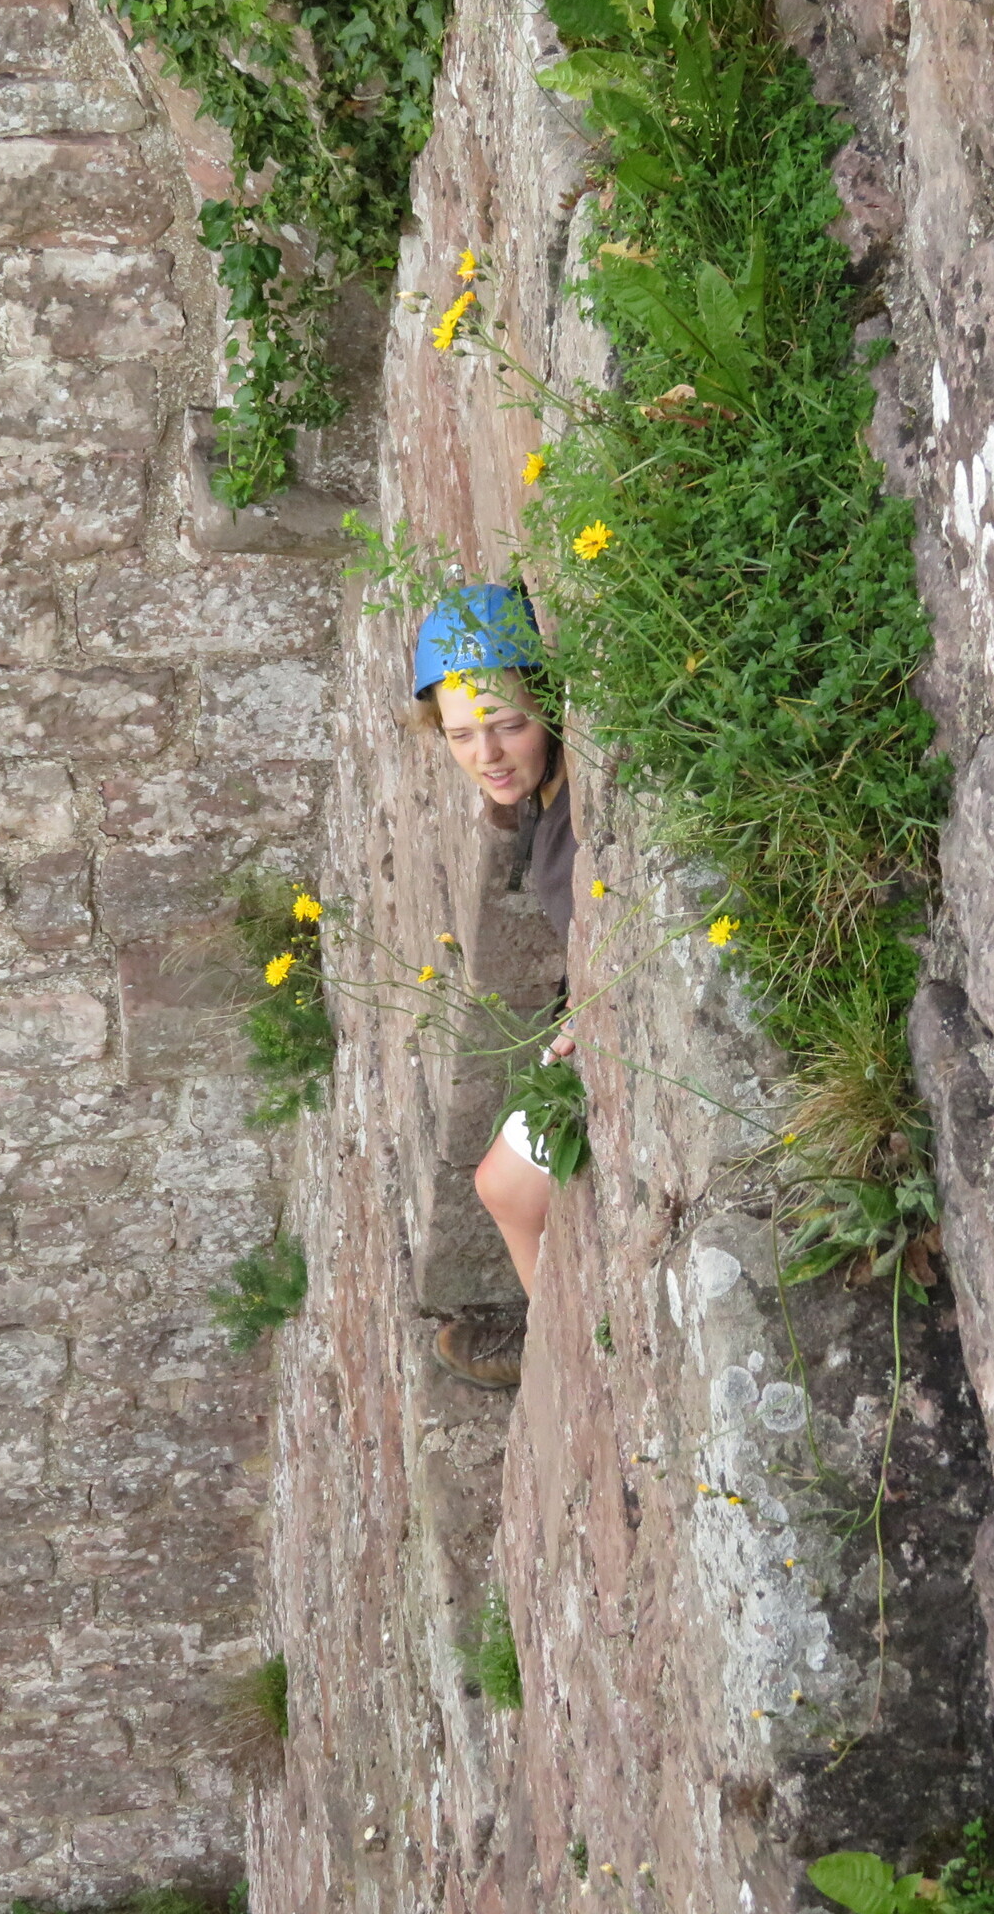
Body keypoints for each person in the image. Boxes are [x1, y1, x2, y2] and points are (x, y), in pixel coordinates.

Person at [410, 584, 578, 1391]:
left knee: (504, 1184)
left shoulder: (573, 821)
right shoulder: (541, 802)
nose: (488, 755)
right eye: (463, 735)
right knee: (500, 1179)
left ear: (549, 706)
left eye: (509, 725)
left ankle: (560, 1356)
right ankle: (550, 1330)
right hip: (582, 1016)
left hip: (595, 1026)